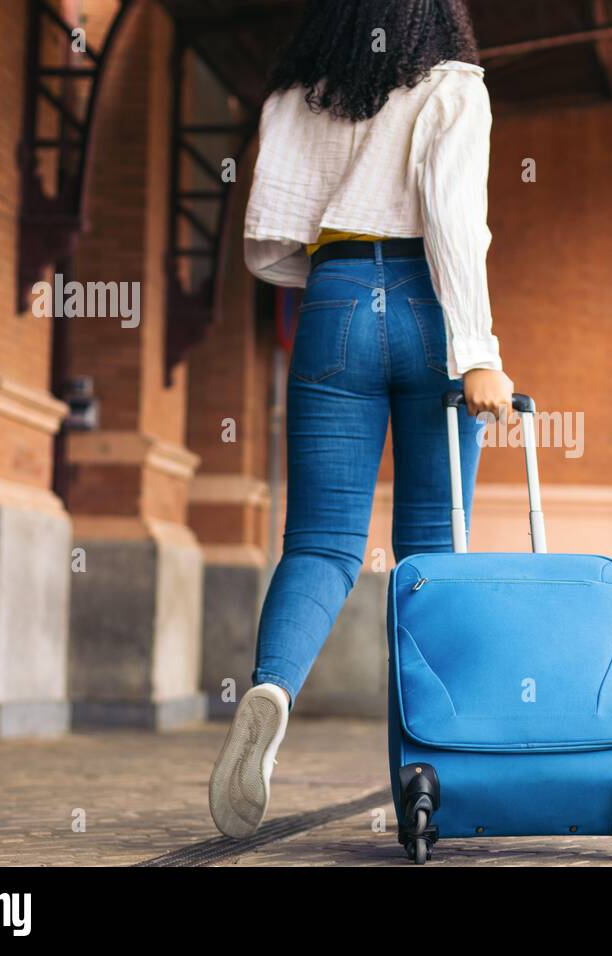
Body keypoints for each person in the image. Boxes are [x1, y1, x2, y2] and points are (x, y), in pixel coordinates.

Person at [209, 0, 514, 839]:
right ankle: (426, 773)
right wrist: (477, 350)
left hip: (333, 301)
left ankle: (272, 687)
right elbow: (457, 222)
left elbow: (269, 246)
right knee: (431, 554)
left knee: (319, 545)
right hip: (428, 309)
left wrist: (341, 272)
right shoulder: (455, 86)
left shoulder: (296, 94)